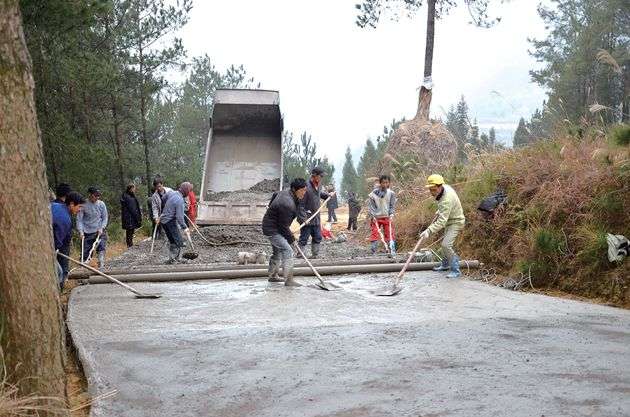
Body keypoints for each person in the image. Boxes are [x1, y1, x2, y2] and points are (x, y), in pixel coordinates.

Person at [262, 178, 308, 286]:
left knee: (277, 252)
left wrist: (270, 208)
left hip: (274, 225)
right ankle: (289, 280)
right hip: (272, 229)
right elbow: (283, 228)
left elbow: (275, 194)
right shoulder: (286, 204)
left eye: (305, 190)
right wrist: (292, 240)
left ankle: (272, 276)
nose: (304, 193)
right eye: (302, 190)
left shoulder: (286, 192)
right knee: (288, 250)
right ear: (294, 189)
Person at [419, 174, 466, 278]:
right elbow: (448, 206)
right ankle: (445, 265)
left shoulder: (446, 199)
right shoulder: (445, 188)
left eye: (434, 190)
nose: (432, 193)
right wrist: (440, 210)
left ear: (440, 186)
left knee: (446, 245)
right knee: (444, 245)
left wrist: (428, 231)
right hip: (450, 219)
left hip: (456, 222)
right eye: (430, 190)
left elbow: (441, 222)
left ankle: (456, 270)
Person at [51, 191, 85, 289]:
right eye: (79, 207)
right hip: (47, 247)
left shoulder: (54, 205)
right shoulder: (65, 219)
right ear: (71, 204)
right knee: (59, 273)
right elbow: (57, 242)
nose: (79, 210)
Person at [297, 167, 333, 259]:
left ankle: (315, 255)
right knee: (304, 237)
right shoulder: (306, 187)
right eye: (321, 176)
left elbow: (318, 194)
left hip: (316, 217)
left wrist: (327, 196)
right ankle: (300, 255)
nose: (322, 178)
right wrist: (303, 219)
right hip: (307, 218)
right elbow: (300, 205)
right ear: (315, 175)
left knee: (317, 236)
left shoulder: (318, 185)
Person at [77, 187, 109, 268]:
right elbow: (79, 219)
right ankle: (83, 269)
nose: (97, 197)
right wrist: (81, 231)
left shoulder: (101, 204)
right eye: (95, 195)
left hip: (99, 231)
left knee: (101, 247)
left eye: (98, 196)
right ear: (90, 195)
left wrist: (102, 227)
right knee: (85, 254)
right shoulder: (83, 204)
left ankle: (101, 264)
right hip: (87, 232)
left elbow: (105, 218)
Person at [160, 183, 191, 264]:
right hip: (170, 221)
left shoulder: (172, 193)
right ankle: (174, 260)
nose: (189, 193)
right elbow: (180, 218)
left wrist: (168, 208)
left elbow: (163, 198)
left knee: (172, 240)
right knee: (178, 241)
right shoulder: (180, 200)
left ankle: (173, 258)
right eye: (189, 191)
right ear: (186, 191)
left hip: (163, 220)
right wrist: (185, 227)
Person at [368, 175, 397, 255]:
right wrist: (372, 215)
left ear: (389, 183)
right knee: (375, 233)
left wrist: (391, 214)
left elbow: (392, 205)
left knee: (390, 234)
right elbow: (371, 206)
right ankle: (373, 250)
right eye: (383, 183)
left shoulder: (391, 193)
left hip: (387, 217)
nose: (385, 184)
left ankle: (391, 250)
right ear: (380, 183)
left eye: (387, 183)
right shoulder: (373, 194)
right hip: (376, 218)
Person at [120, 183, 142, 248]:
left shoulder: (126, 196)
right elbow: (133, 209)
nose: (135, 189)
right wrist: (138, 218)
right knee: (130, 231)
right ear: (131, 189)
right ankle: (130, 245)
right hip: (130, 218)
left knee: (129, 232)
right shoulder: (129, 198)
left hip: (128, 218)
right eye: (134, 188)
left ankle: (130, 244)